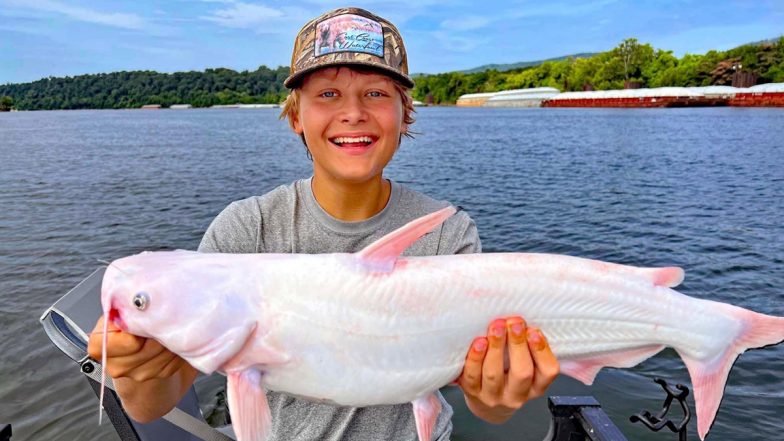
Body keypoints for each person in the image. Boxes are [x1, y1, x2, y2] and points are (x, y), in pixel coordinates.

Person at [87, 7, 559, 440]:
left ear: (404, 113)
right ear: (296, 115)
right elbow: (152, 407)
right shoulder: (246, 231)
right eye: (327, 94)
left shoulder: (446, 233)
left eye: (376, 93)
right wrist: (135, 374)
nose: (352, 113)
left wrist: (501, 391)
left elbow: (487, 403)